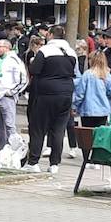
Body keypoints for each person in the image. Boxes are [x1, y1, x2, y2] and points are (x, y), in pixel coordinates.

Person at [24, 29, 77, 172]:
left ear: (50, 35)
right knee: (59, 129)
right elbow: (74, 72)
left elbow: (34, 70)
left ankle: (33, 162)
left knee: (38, 128)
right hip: (66, 93)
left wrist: (33, 61)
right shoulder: (71, 52)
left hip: (46, 93)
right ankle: (54, 164)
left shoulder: (45, 50)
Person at [0, 39, 28, 153]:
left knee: (9, 125)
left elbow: (23, 79)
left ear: (7, 48)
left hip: (6, 97)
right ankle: (2, 148)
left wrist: (11, 92)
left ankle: (16, 149)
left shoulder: (14, 60)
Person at [71, 49, 111, 129]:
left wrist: (74, 106)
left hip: (88, 110)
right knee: (100, 136)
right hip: (103, 110)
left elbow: (80, 93)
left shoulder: (87, 74)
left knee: (88, 135)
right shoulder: (107, 75)